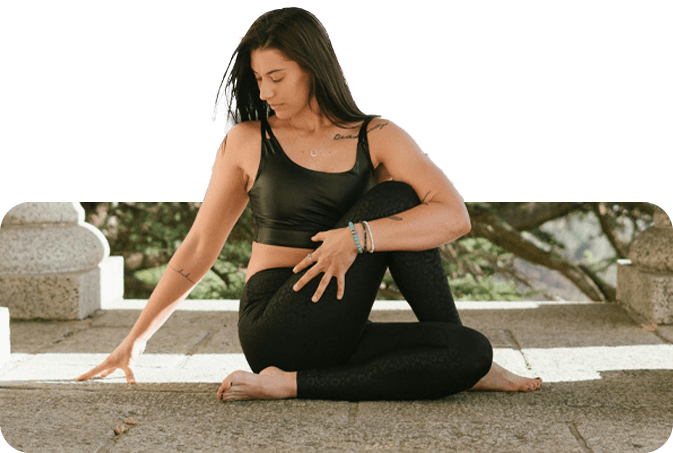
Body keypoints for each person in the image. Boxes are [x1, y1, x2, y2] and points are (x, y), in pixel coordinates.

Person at [77, 7, 542, 400]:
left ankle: (294, 384)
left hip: (338, 322)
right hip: (275, 320)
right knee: (397, 197)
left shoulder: (377, 135)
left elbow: (453, 215)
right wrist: (135, 341)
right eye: (259, 79)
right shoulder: (247, 141)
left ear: (313, 68)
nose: (264, 93)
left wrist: (357, 239)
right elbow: (199, 246)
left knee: (468, 350)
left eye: (276, 77)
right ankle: (284, 377)